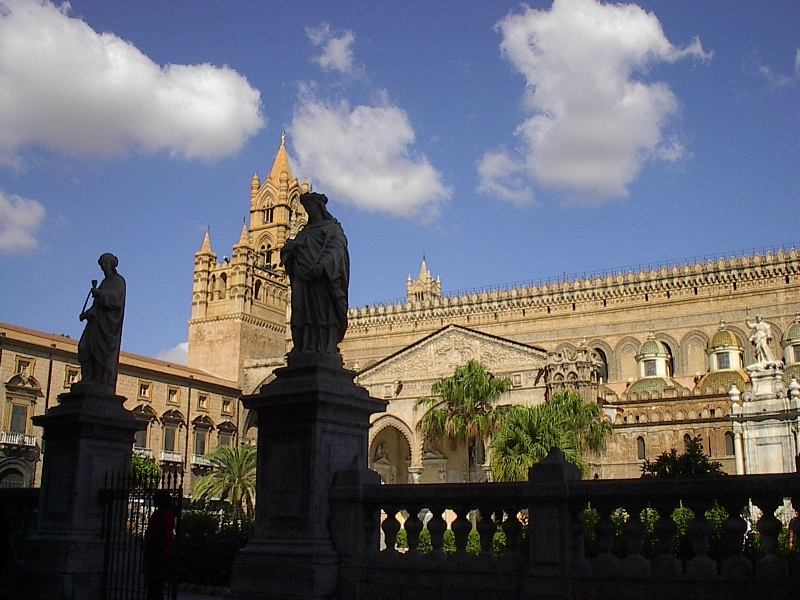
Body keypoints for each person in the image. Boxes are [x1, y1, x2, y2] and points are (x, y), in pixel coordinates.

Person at [281, 192, 349, 354]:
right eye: (306, 208)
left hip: (322, 280)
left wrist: (322, 265)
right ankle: (302, 347)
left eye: (310, 207)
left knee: (323, 315)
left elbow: (337, 250)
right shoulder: (304, 232)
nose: (308, 210)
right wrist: (290, 250)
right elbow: (291, 252)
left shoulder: (332, 229)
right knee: (301, 315)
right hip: (303, 281)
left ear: (318, 207)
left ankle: (325, 348)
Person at [78, 253, 126, 389]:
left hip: (107, 327)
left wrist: (99, 293)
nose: (103, 267)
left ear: (111, 264)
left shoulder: (119, 281)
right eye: (101, 264)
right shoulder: (104, 283)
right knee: (84, 347)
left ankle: (98, 381)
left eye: (105, 263)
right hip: (95, 324)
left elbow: (116, 300)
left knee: (101, 353)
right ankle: (87, 378)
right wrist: (86, 314)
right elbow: (96, 306)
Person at [144, 491, 175, 600]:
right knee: (158, 581)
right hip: (165, 550)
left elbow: (153, 532)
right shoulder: (170, 515)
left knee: (154, 581)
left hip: (157, 551)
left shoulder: (159, 514)